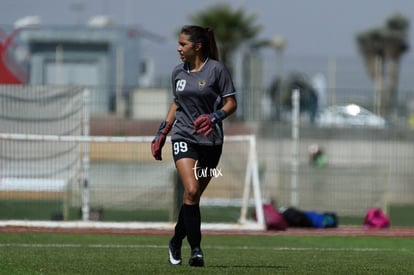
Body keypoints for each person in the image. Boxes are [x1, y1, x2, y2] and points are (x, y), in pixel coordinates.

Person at [151, 25, 237, 267]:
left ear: (197, 46)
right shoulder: (178, 72)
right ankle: (196, 250)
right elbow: (177, 104)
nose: (178, 48)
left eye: (182, 44)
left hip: (212, 142)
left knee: (193, 196)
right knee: (190, 190)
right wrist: (162, 133)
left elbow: (232, 103)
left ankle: (176, 240)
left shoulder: (217, 70)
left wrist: (214, 117)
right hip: (183, 137)